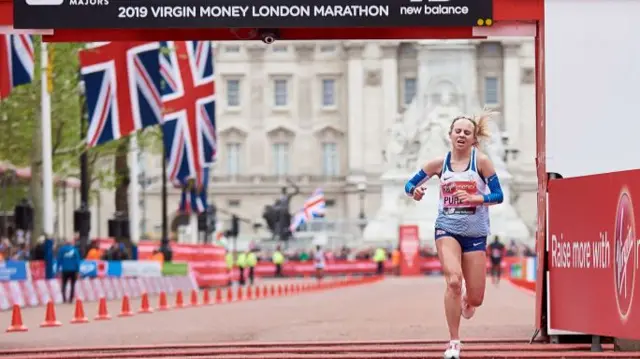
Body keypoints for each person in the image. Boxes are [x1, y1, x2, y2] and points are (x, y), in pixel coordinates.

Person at [404, 114, 504, 359]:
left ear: (473, 139)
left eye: (466, 133)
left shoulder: (482, 163)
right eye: (457, 131)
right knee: (453, 281)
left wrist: (476, 199)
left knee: (476, 299)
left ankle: (467, 300)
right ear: (449, 135)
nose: (461, 135)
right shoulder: (439, 164)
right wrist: (415, 192)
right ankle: (454, 343)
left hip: (475, 233)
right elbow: (409, 185)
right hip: (446, 228)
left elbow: (499, 195)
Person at [56, 239, 82, 304]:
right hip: (73, 270)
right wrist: (78, 270)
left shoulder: (61, 250)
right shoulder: (75, 250)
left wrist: (57, 269)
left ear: (65, 243)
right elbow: (77, 261)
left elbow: (59, 260)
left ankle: (64, 298)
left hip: (64, 270)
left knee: (64, 284)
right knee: (72, 285)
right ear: (71, 243)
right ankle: (70, 299)